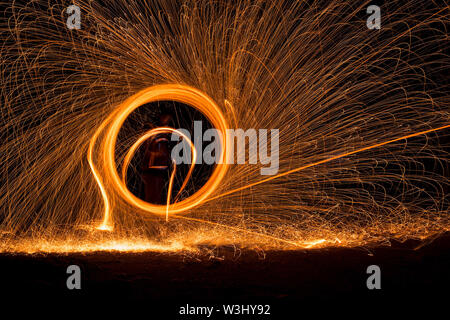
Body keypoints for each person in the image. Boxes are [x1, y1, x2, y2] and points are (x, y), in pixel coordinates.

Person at [141, 113, 173, 204]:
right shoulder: (157, 135)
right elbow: (148, 151)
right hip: (152, 171)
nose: (167, 125)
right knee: (152, 198)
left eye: (168, 123)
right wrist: (159, 154)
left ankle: (153, 214)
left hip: (158, 171)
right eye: (166, 122)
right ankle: (151, 215)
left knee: (156, 197)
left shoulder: (162, 135)